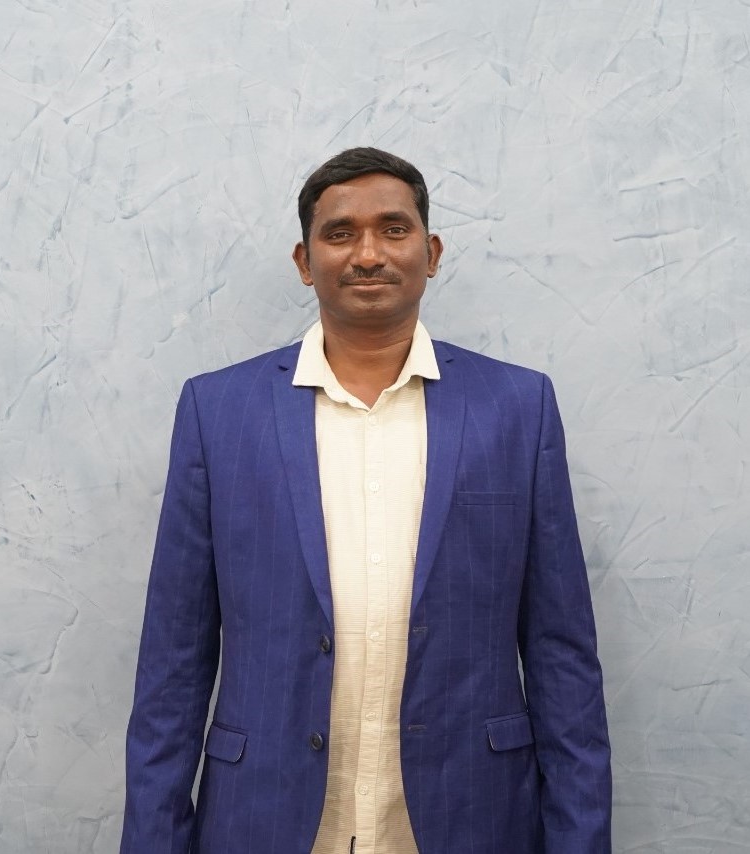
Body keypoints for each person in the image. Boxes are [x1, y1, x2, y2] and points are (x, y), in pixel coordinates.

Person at [120, 147, 612, 854]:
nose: (369, 253)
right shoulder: (219, 411)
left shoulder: (516, 407)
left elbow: (562, 656)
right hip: (265, 816)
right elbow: (173, 662)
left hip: (471, 813)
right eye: (340, 233)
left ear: (431, 252)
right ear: (304, 261)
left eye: (393, 228)